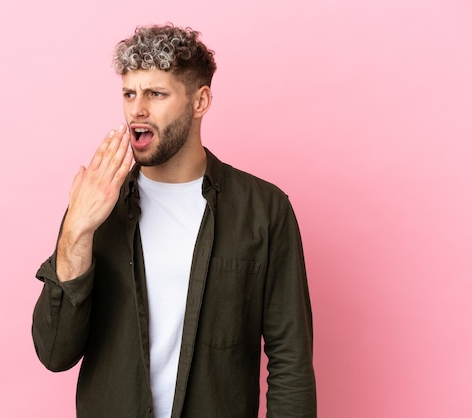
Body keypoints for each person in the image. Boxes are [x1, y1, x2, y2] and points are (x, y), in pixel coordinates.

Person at [32, 23, 316, 418]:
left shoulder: (264, 209)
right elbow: (54, 351)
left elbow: (291, 362)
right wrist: (76, 230)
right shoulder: (96, 205)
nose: (137, 110)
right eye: (129, 93)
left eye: (156, 94)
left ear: (200, 102)